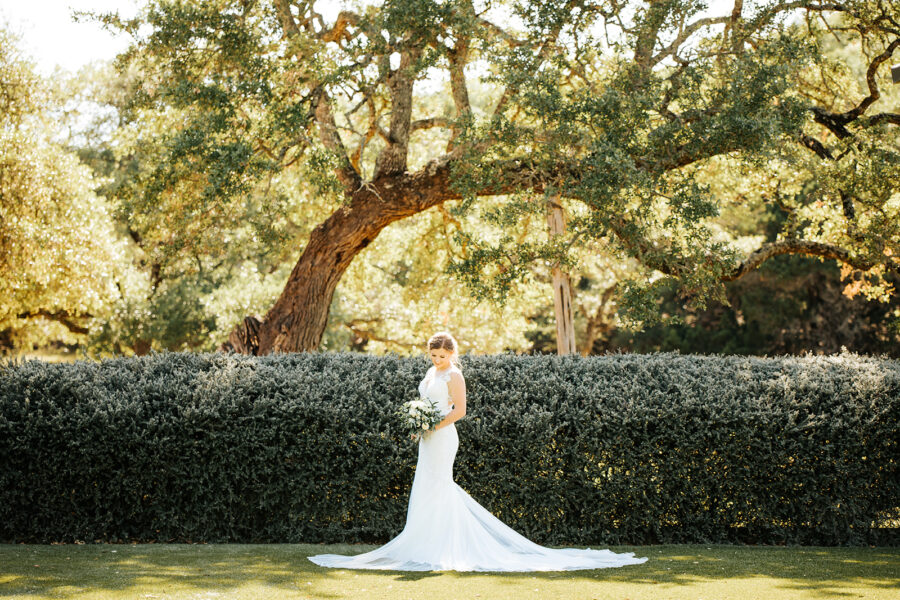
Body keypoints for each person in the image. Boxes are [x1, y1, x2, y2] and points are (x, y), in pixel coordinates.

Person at [308, 331, 647, 571]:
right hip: (427, 439)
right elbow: (426, 404)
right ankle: (426, 544)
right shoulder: (430, 372)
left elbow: (459, 411)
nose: (438, 360)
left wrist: (430, 426)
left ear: (452, 354)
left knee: (441, 487)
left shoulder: (454, 375)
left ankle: (444, 548)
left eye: (443, 355)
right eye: (434, 355)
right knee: (426, 489)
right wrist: (417, 426)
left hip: (443, 437)